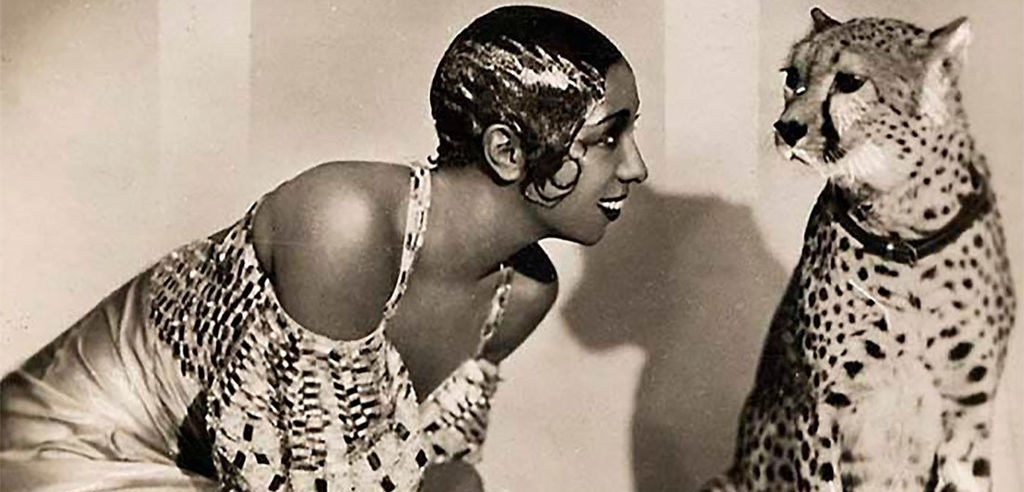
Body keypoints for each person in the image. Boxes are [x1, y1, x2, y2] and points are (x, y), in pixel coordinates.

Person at [0, 5, 647, 491]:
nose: (635, 167)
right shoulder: (348, 220)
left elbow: (431, 472)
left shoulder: (524, 294)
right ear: (506, 150)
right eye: (609, 138)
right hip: (66, 454)